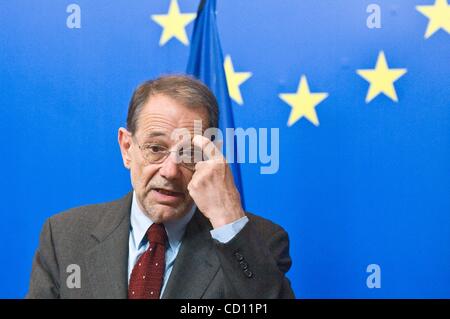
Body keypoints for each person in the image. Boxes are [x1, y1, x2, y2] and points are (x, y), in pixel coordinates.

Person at [26, 75, 295, 299]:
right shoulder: (64, 237)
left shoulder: (260, 242)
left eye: (189, 153)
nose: (170, 171)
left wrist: (227, 218)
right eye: (155, 149)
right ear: (126, 148)